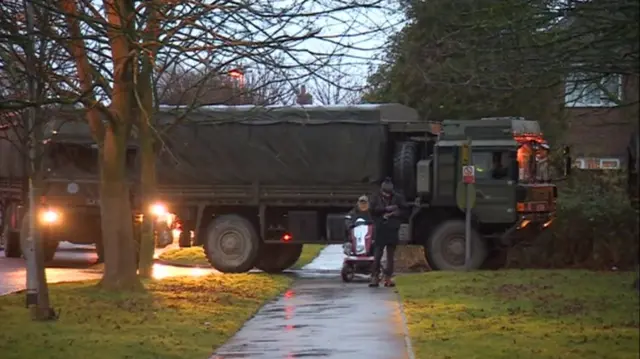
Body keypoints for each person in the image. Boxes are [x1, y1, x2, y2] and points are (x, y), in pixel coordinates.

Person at [368, 178, 407, 287]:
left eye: (389, 193)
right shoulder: (375, 197)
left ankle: (388, 278)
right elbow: (371, 210)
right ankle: (374, 277)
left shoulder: (398, 198)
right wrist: (385, 209)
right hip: (380, 228)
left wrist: (395, 213)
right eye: (385, 193)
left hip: (392, 228)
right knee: (377, 254)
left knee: (390, 255)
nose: (387, 195)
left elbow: (405, 210)